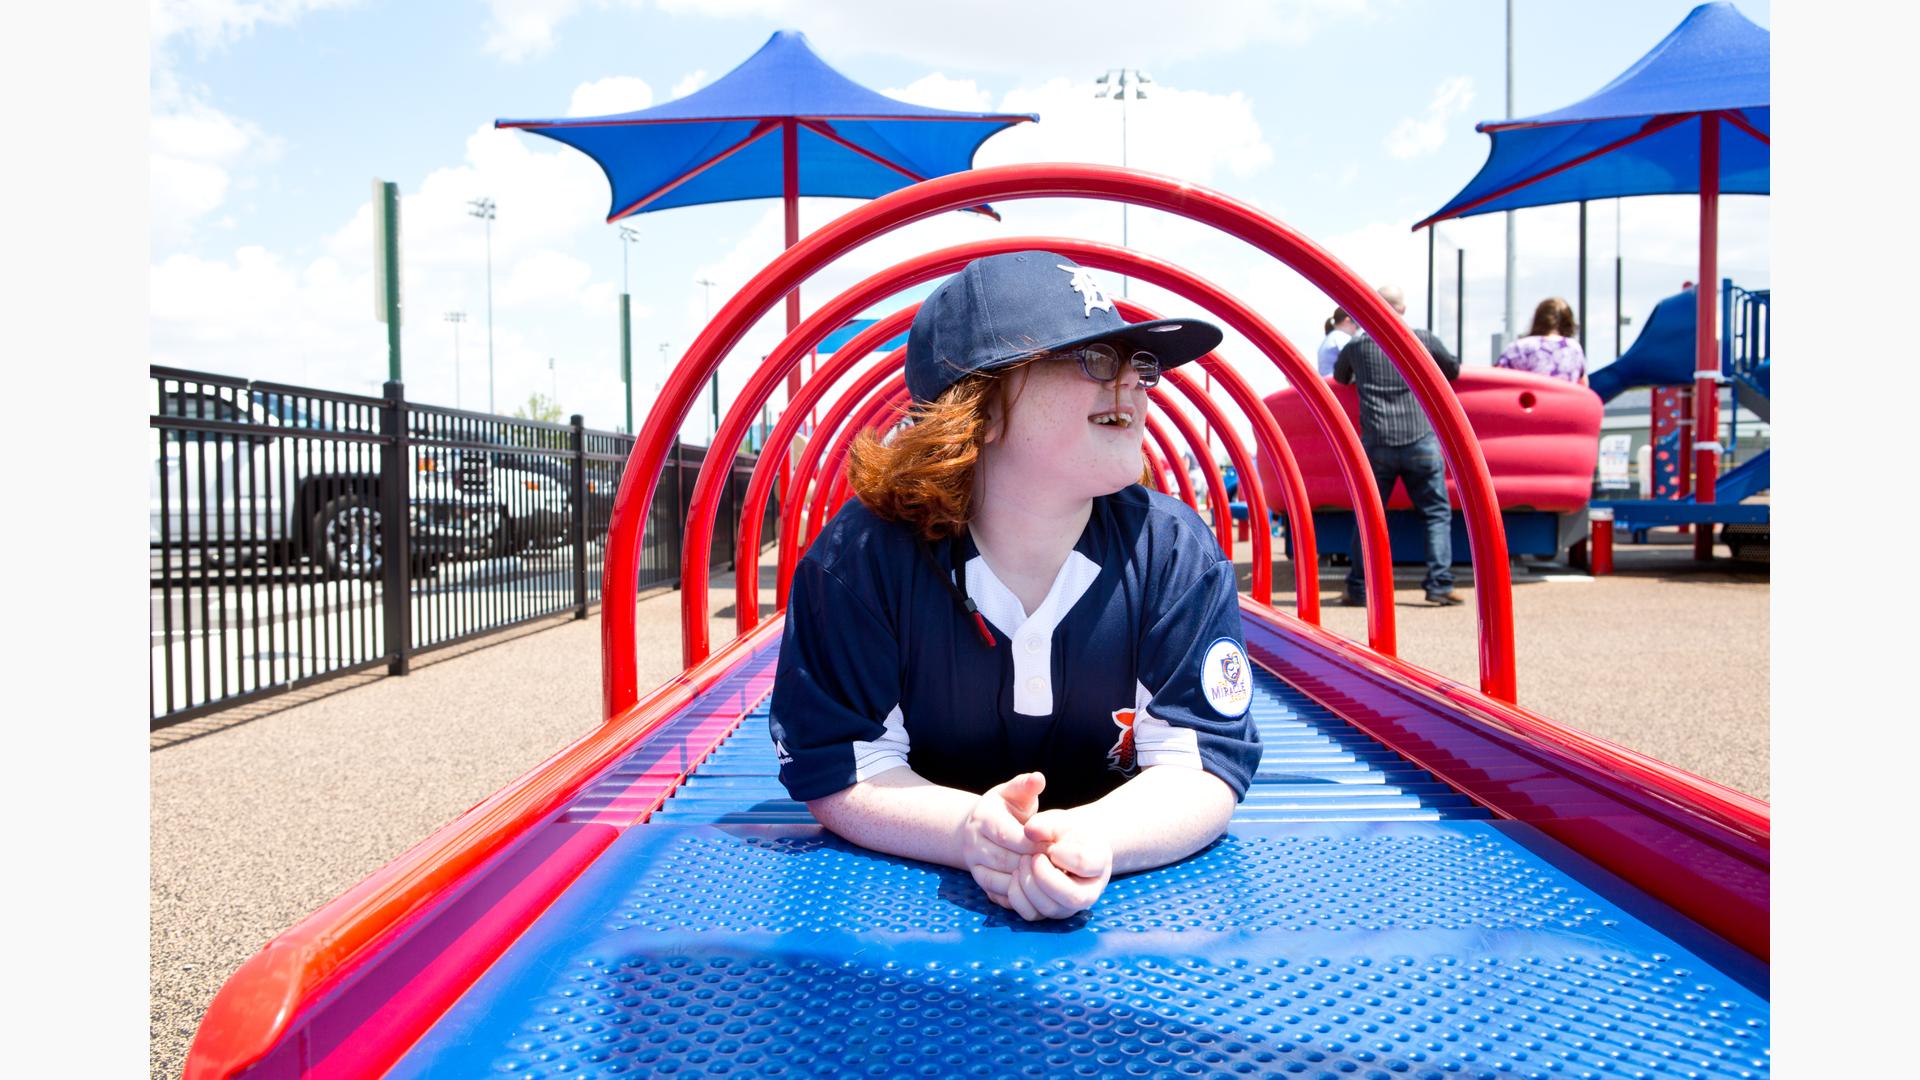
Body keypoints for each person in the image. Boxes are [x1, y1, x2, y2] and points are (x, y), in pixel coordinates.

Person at [769, 251, 1264, 923]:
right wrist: (967, 829)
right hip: (909, 909)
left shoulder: (1174, 553)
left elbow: (1198, 767)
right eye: (1092, 358)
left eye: (1139, 363)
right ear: (980, 409)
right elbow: (845, 769)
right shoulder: (861, 561)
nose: (1134, 383)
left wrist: (1097, 838)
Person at [1333, 285, 1464, 607]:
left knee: (1369, 516)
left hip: (1377, 442)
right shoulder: (1423, 339)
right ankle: (1438, 584)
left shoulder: (1358, 345)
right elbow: (1453, 370)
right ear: (1402, 309)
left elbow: (1339, 377)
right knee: (1435, 514)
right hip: (1421, 439)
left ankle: (1360, 587)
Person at [1496, 297, 1589, 385]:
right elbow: (1583, 386)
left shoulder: (1519, 347)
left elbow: (1496, 379)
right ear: (1569, 324)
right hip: (1566, 401)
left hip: (1529, 400)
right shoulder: (1574, 348)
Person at [1316, 307, 1358, 377]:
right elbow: (1356, 359)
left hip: (1328, 382)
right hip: (1336, 383)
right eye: (1356, 323)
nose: (1356, 328)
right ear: (1347, 321)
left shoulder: (1330, 337)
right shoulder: (1340, 337)